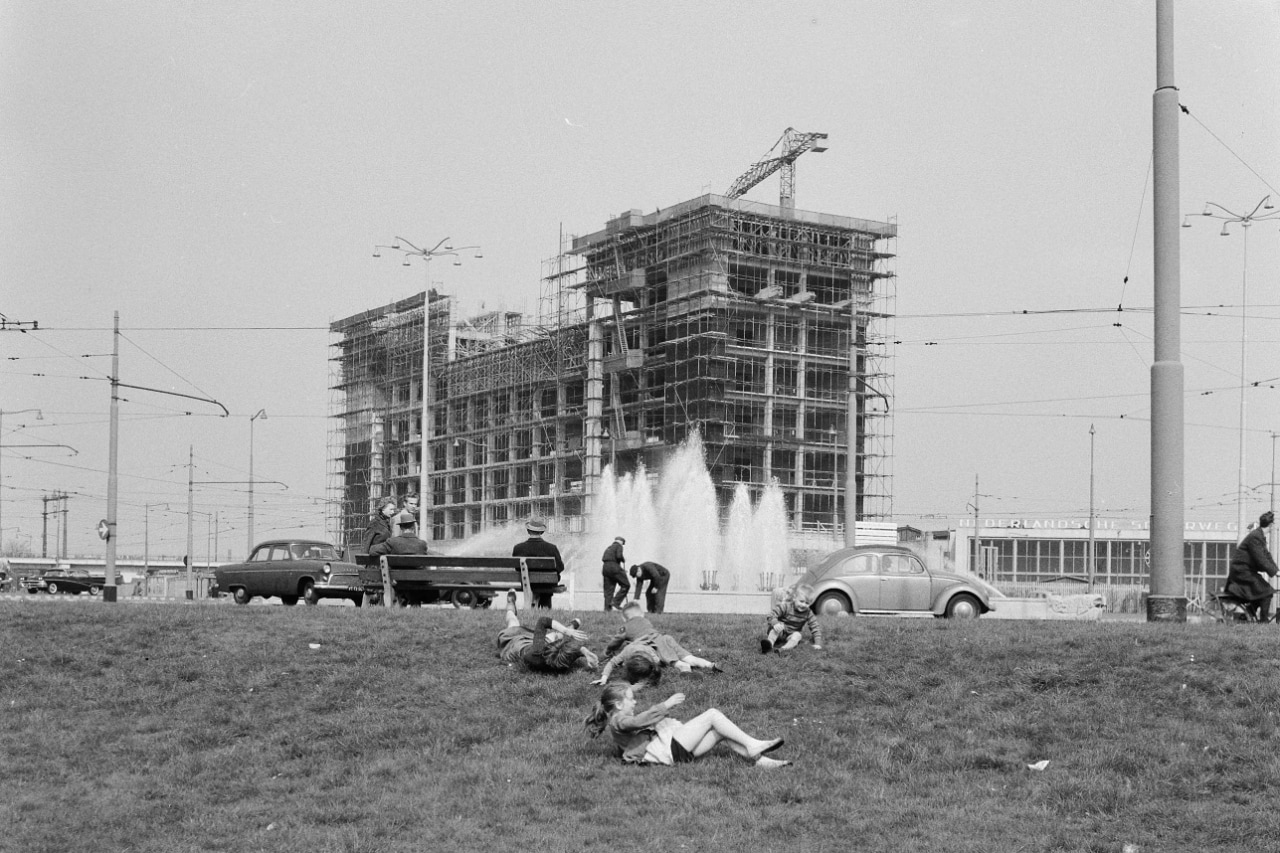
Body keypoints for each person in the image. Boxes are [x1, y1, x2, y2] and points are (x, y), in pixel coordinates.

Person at [585, 683, 791, 768]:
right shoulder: (618, 720)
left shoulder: (618, 720)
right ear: (619, 704)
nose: (635, 702)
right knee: (712, 714)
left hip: (672, 751)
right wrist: (665, 705)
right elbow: (637, 721)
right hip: (668, 750)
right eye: (631, 699)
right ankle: (753, 744)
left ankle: (759, 759)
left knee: (719, 731)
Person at [599, 600, 722, 676]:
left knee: (673, 661)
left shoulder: (626, 626)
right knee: (688, 657)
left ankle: (684, 669)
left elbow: (616, 641)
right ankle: (709, 664)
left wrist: (608, 650)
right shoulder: (645, 620)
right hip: (664, 638)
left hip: (653, 643)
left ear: (625, 618)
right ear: (642, 614)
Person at [496, 591, 598, 673]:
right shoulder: (556, 661)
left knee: (512, 621)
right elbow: (572, 651)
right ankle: (572, 626)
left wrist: (566, 631)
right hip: (524, 643)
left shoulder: (537, 653)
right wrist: (585, 652)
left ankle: (510, 603)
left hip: (518, 643)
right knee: (554, 636)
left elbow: (543, 621)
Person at [1224, 511, 1279, 622]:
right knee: (1267, 593)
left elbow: (1267, 556)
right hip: (1242, 571)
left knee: (1260, 593)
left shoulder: (1259, 536)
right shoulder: (1256, 537)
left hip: (1245, 570)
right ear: (1271, 525)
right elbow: (1261, 559)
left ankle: (1248, 617)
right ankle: (1263, 622)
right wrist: (1275, 572)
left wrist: (1276, 570)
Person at [512, 517, 564, 608]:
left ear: (528, 530)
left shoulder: (518, 548)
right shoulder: (551, 548)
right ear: (542, 532)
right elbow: (560, 567)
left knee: (532, 580)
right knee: (548, 580)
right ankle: (545, 608)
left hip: (527, 583)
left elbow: (517, 568)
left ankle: (531, 606)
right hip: (547, 583)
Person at [760, 584, 824, 653]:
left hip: (791, 635)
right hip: (780, 631)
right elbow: (771, 614)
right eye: (801, 601)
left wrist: (818, 643)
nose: (803, 605)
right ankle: (769, 644)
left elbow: (815, 627)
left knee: (798, 635)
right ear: (794, 598)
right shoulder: (786, 607)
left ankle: (784, 649)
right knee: (776, 629)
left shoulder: (808, 613)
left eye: (807, 603)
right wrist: (775, 623)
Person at [601, 535, 629, 611]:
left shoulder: (608, 548)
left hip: (605, 568)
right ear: (621, 542)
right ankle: (616, 602)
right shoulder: (619, 546)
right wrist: (623, 560)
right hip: (614, 567)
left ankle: (607, 609)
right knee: (626, 585)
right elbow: (619, 556)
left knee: (608, 590)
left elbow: (604, 558)